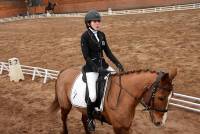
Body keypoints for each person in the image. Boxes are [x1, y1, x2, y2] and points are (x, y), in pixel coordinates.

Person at [81, 9, 124, 131]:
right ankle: (89, 118)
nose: (97, 23)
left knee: (117, 82)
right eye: (95, 21)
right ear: (88, 23)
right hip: (91, 69)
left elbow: (108, 52)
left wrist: (118, 63)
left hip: (103, 66)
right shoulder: (85, 36)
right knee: (93, 96)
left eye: (98, 21)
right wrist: (97, 69)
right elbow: (86, 57)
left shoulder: (101, 34)